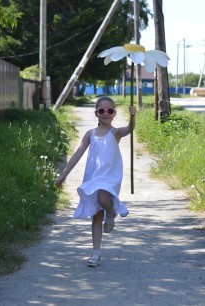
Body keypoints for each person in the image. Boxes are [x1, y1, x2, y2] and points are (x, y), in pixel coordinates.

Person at [55, 96, 136, 267]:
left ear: (114, 113)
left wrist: (133, 116)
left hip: (109, 177)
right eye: (101, 111)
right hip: (93, 177)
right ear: (96, 113)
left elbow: (129, 129)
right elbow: (77, 154)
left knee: (103, 199)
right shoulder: (89, 134)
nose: (105, 114)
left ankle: (112, 213)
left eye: (110, 111)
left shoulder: (116, 133)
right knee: (96, 216)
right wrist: (63, 175)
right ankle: (95, 253)